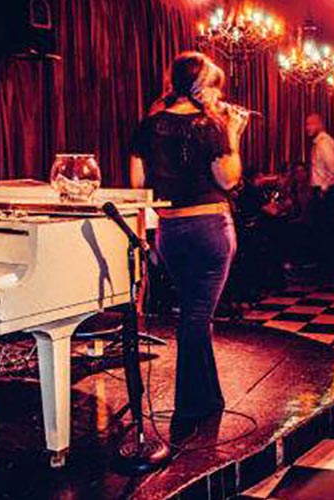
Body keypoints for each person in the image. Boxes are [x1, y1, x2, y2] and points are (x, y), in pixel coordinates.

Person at [129, 52, 249, 423]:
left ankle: (209, 397)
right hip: (209, 229)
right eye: (214, 86)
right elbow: (229, 178)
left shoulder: (148, 125)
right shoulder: (211, 125)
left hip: (170, 233)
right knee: (196, 318)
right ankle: (190, 406)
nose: (218, 95)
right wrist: (233, 135)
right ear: (199, 86)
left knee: (195, 313)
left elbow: (137, 184)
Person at [305, 114, 334, 270]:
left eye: (309, 124)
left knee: (325, 230)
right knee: (325, 229)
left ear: (319, 125)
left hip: (326, 191)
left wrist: (324, 188)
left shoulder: (323, 143)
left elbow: (333, 168)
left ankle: (326, 267)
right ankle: (326, 265)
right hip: (327, 190)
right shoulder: (323, 142)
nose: (307, 128)